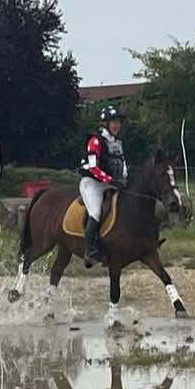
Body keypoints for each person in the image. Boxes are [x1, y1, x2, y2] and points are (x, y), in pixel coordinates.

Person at [78, 105, 129, 268]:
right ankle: (90, 251)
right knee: (96, 212)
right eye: (113, 122)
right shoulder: (95, 141)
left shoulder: (117, 143)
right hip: (92, 184)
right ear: (105, 124)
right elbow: (94, 168)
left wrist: (124, 178)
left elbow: (122, 163)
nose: (116, 125)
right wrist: (110, 180)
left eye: (118, 122)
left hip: (110, 183)